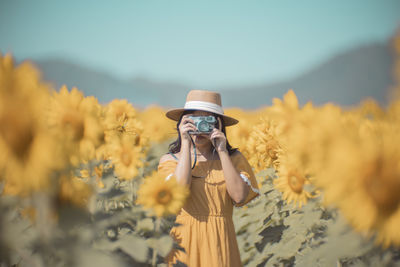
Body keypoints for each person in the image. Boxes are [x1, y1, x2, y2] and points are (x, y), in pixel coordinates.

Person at [157, 89, 260, 267]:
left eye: (206, 120)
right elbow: (179, 192)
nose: (199, 127)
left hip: (221, 241)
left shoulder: (233, 159)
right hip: (184, 241)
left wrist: (221, 151)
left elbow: (239, 196)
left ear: (218, 125)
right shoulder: (170, 161)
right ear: (183, 123)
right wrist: (186, 142)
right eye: (194, 120)